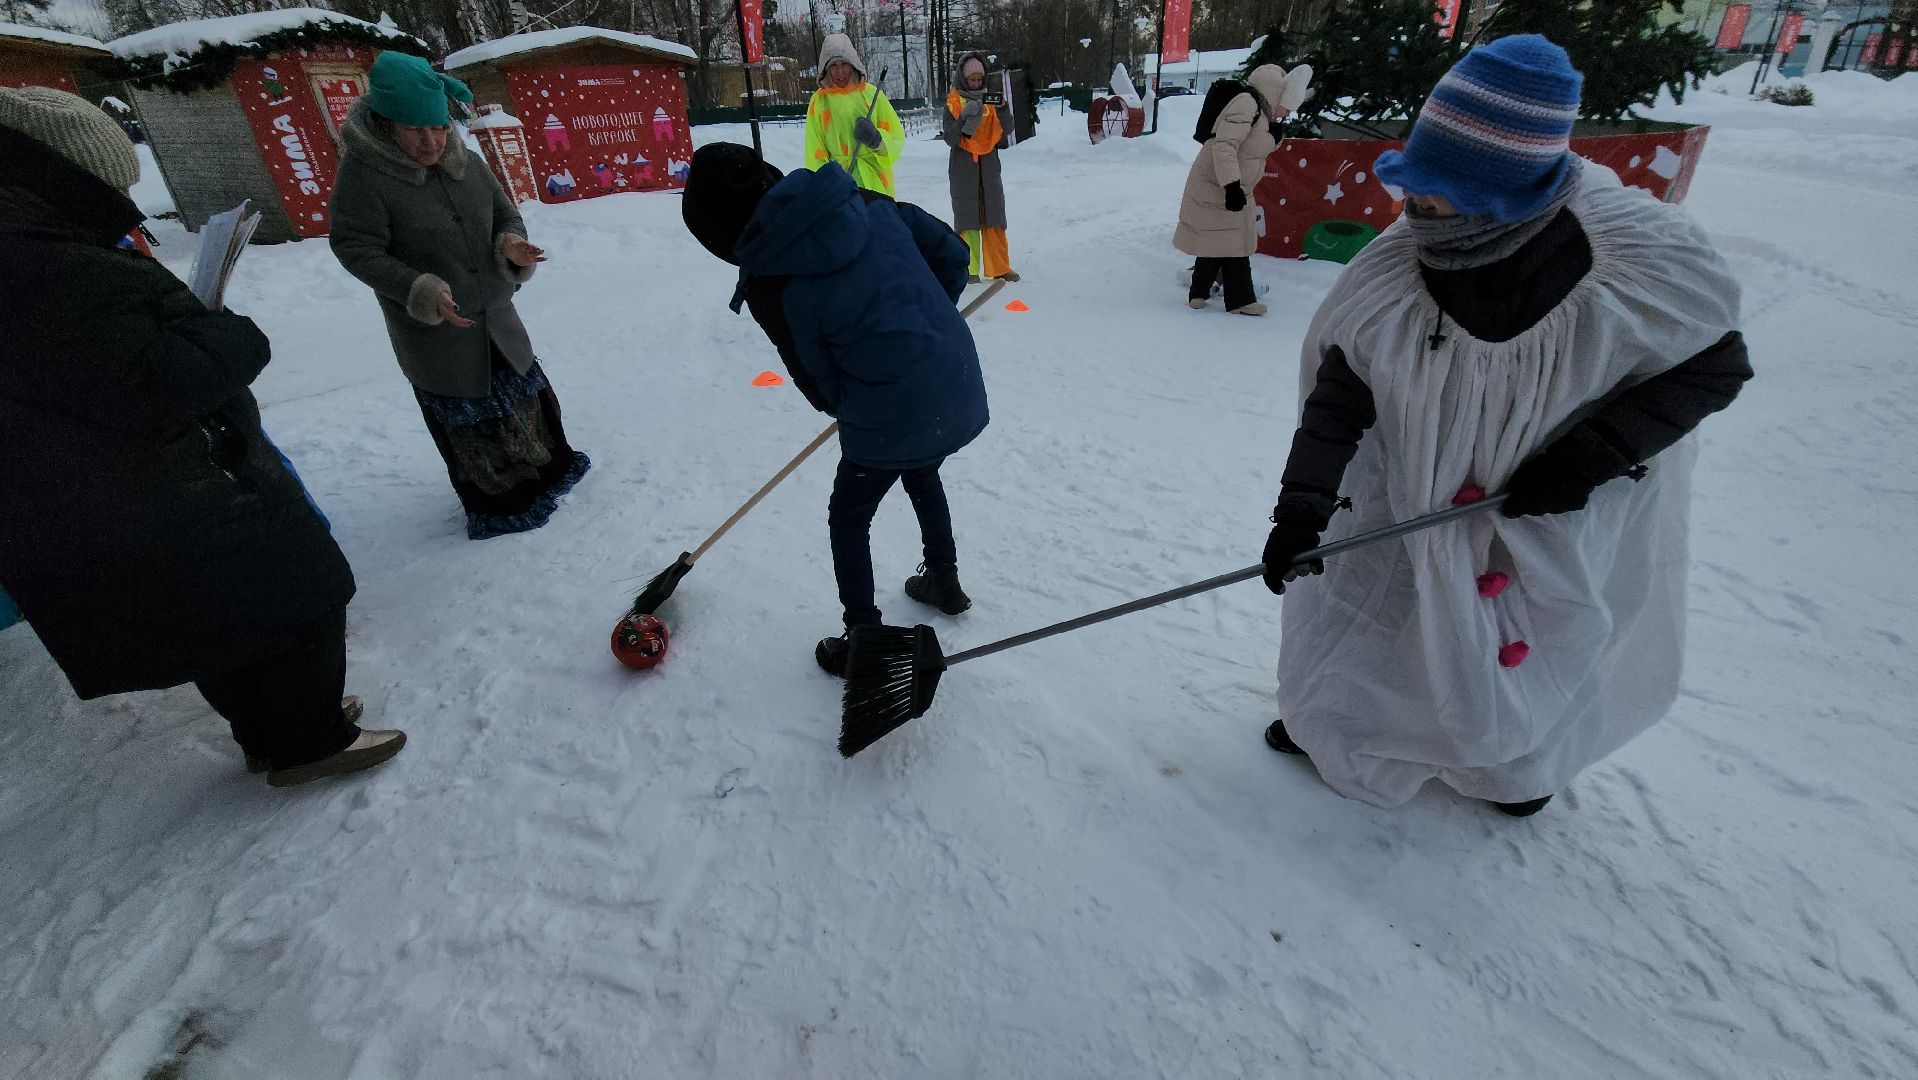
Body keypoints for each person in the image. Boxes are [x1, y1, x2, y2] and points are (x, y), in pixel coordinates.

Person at [1258, 36, 1752, 816]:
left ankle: (1515, 767)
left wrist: (1591, 455)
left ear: (1509, 192)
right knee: (1382, 608)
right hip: (1408, 495)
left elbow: (1715, 366)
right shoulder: (1394, 271)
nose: (1415, 214)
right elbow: (1339, 397)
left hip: (1545, 508)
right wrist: (1303, 507)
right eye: (1413, 191)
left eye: (1438, 198)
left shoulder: (1635, 259)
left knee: (1531, 634)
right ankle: (1340, 725)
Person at [0, 87, 405, 786]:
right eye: (112, 184)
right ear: (63, 177)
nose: (124, 200)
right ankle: (312, 739)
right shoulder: (40, 263)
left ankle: (273, 731)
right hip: (165, 483)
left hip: (115, 492)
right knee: (302, 593)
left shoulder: (33, 244)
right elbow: (153, 382)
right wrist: (229, 334)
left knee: (219, 618)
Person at [681, 144, 988, 675]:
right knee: (920, 467)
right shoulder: (861, 199)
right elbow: (952, 253)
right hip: (954, 375)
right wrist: (926, 324)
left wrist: (871, 379)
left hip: (889, 404)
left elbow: (816, 381)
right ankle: (943, 578)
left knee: (849, 514)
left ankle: (864, 636)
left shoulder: (771, 279)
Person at [329, 52, 589, 541]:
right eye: (415, 130)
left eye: (438, 127)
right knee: (473, 417)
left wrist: (510, 243)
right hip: (438, 334)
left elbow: (506, 215)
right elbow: (354, 247)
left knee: (525, 398)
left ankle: (549, 475)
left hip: (497, 318)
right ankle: (505, 505)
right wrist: (419, 289)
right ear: (386, 123)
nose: (431, 141)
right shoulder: (363, 175)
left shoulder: (467, 162)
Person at [1174, 63, 1312, 315]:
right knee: (1233, 241)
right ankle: (1240, 300)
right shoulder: (1247, 104)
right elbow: (1225, 145)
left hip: (1231, 185)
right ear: (1277, 96)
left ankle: (1199, 293)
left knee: (1219, 238)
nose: (1288, 113)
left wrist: (1274, 136)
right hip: (1217, 183)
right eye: (1287, 107)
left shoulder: (1262, 114)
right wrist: (1231, 186)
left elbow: (1252, 146)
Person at [942, 54, 1019, 284]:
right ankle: (969, 269)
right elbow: (950, 138)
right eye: (972, 80)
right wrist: (963, 119)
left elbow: (1007, 128)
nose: (976, 84)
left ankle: (1000, 267)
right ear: (963, 79)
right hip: (963, 167)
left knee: (994, 215)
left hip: (989, 166)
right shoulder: (953, 103)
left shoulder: (990, 101)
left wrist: (1003, 108)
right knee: (967, 218)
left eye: (979, 79)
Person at [803, 32, 906, 197]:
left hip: (875, 181)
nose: (839, 72)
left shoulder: (871, 95)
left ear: (852, 64)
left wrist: (877, 141)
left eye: (844, 64)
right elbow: (814, 150)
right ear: (826, 69)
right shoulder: (819, 102)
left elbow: (896, 137)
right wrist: (825, 185)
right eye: (833, 65)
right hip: (838, 184)